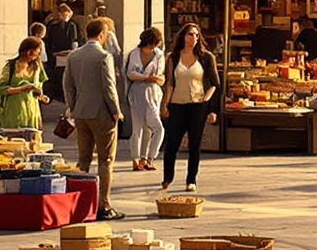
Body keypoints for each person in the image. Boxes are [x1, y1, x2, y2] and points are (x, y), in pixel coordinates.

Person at [63, 16, 125, 219]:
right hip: (101, 113)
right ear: (101, 34)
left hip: (81, 112)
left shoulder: (74, 56)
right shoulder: (103, 56)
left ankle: (80, 203)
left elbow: (68, 85)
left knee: (83, 159)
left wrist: (73, 107)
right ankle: (103, 205)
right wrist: (116, 110)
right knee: (106, 160)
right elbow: (109, 86)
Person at [161, 23, 219, 193]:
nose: (193, 38)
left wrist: (207, 103)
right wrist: (165, 104)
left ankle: (191, 179)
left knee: (194, 144)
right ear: (183, 37)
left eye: (195, 35)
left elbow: (214, 83)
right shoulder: (173, 57)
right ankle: (167, 177)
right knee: (172, 143)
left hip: (197, 105)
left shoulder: (206, 57)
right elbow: (170, 83)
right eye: (189, 34)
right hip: (177, 105)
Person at [124, 27, 166, 174]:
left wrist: (150, 78)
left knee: (155, 127)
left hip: (152, 92)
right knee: (137, 127)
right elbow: (130, 73)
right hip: (136, 91)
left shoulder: (158, 55)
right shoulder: (134, 54)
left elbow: (160, 75)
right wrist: (146, 77)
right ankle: (136, 159)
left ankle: (148, 157)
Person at [0, 37, 48, 137]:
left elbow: (40, 85)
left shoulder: (37, 66)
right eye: (37, 51)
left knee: (32, 140)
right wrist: (22, 88)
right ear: (29, 51)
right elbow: (0, 88)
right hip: (14, 110)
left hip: (32, 111)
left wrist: (41, 95)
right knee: (13, 139)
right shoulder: (11, 66)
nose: (38, 54)